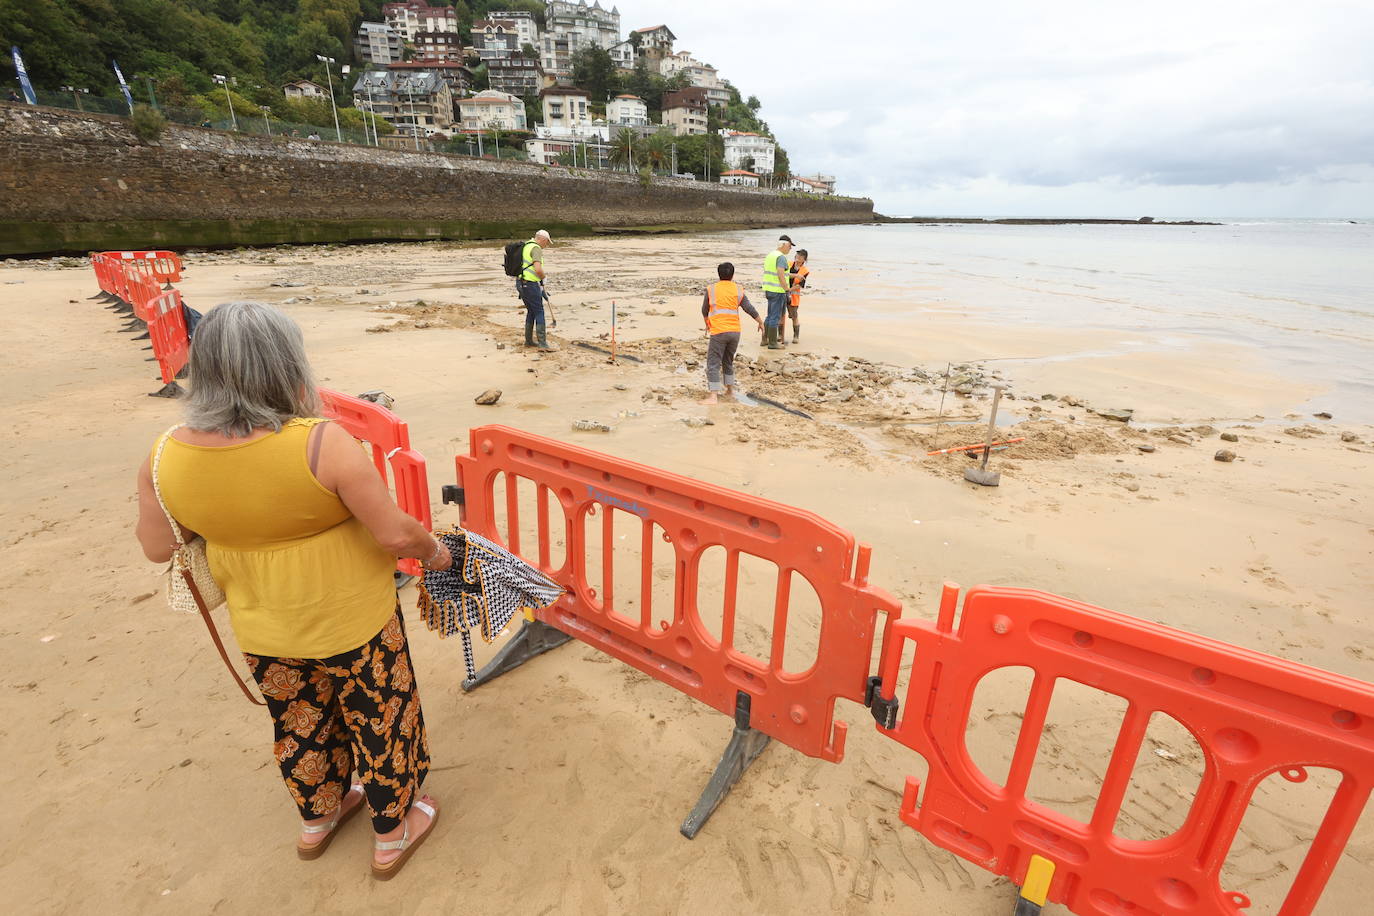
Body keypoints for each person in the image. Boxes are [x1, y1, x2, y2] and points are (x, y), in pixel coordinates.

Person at [134, 301, 447, 879]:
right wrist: (436, 552)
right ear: (285, 364)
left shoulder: (164, 453)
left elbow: (157, 548)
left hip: (264, 629)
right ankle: (391, 831)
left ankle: (318, 820)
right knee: (380, 717)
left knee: (301, 721)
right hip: (353, 621)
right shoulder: (318, 442)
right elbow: (391, 531)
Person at [700, 262, 764, 404]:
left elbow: (704, 310)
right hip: (735, 332)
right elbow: (749, 308)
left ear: (719, 274)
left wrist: (707, 324)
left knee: (713, 363)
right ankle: (729, 391)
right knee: (728, 361)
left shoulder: (711, 289)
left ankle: (713, 396)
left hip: (719, 332)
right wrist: (760, 321)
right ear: (732, 275)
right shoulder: (738, 289)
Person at [518, 229, 555, 351]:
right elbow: (538, 269)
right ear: (542, 239)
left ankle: (528, 341)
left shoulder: (526, 246)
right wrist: (544, 279)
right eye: (547, 242)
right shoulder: (536, 248)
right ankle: (542, 344)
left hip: (521, 283)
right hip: (530, 284)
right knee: (539, 312)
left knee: (531, 311)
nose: (546, 245)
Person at [761, 234, 794, 350]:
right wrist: (787, 289)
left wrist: (795, 275)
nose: (790, 249)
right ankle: (773, 343)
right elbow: (780, 273)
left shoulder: (770, 255)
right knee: (775, 317)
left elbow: (779, 272)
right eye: (790, 246)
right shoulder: (781, 257)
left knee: (770, 316)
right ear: (784, 244)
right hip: (778, 291)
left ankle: (764, 339)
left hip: (768, 289)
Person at [786, 248, 810, 344]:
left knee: (794, 316)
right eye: (797, 255)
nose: (798, 257)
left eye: (801, 256)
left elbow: (800, 285)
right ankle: (780, 335)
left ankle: (796, 336)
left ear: (804, 260)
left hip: (794, 297)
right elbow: (782, 275)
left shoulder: (805, 271)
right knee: (780, 314)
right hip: (782, 293)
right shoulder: (788, 264)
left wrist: (789, 290)